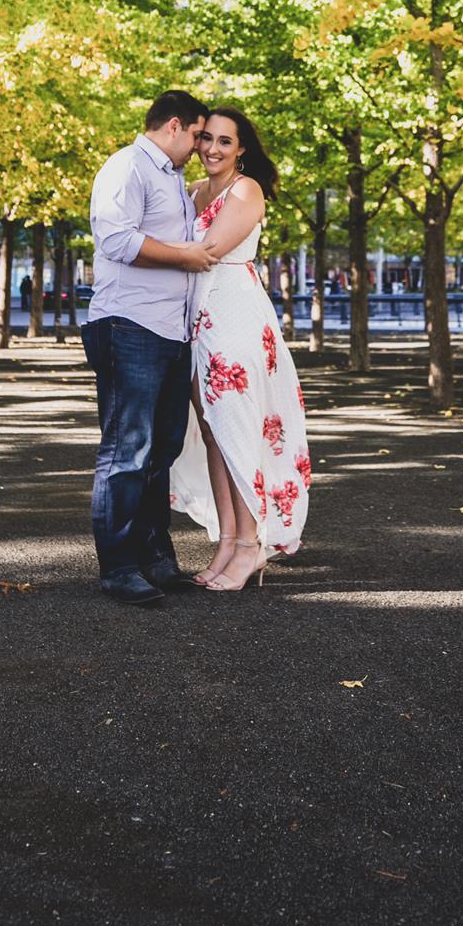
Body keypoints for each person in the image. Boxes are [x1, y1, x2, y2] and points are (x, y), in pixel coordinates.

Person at [82, 90, 214, 606]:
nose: (200, 146)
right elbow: (116, 241)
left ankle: (155, 559)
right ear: (175, 125)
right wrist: (184, 256)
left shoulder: (173, 179)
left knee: (162, 450)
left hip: (170, 331)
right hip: (129, 325)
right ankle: (118, 569)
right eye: (198, 134)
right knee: (127, 452)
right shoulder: (127, 167)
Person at [171, 107, 311, 591]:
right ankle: (227, 541)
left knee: (237, 430)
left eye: (225, 141)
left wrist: (140, 248)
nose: (212, 148)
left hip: (233, 316)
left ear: (241, 148)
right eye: (206, 138)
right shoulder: (192, 191)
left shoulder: (245, 189)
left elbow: (208, 251)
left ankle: (251, 546)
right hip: (196, 320)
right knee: (213, 432)